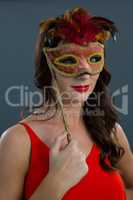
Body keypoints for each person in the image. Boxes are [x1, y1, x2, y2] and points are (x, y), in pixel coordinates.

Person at [0, 7, 133, 200]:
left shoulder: (110, 131)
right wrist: (57, 180)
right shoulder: (17, 141)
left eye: (94, 58)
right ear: (48, 66)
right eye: (69, 60)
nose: (85, 71)